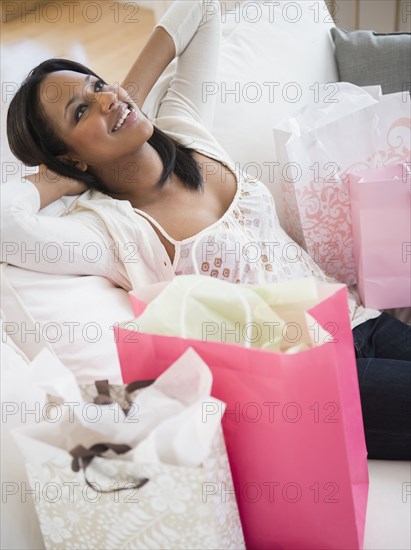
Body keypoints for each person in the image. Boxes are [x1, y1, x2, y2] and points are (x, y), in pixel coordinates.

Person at [2, 0, 410, 459]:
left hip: (357, 321)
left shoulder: (182, 124)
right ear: (69, 157)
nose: (103, 97)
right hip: (310, 385)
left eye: (97, 83)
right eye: (80, 112)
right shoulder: (109, 230)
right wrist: (57, 176)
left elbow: (201, 9)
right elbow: (6, 228)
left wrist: (118, 101)